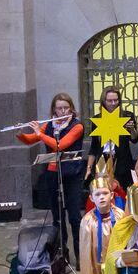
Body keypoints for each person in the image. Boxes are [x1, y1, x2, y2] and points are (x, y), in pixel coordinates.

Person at [18, 92, 88, 253]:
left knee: (74, 216)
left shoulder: (77, 126)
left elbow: (59, 145)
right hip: (53, 173)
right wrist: (20, 133)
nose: (63, 112)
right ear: (54, 110)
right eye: (59, 108)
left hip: (72, 174)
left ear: (71, 109)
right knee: (57, 217)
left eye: (66, 108)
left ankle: (80, 254)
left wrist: (40, 134)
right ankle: (61, 253)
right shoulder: (49, 126)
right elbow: (30, 140)